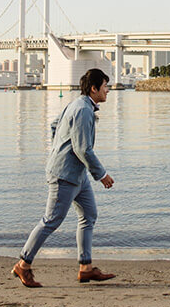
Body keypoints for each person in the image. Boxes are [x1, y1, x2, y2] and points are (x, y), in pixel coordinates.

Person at [12, 68, 117, 287]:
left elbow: (54, 125)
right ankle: (23, 264)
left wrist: (59, 148)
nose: (108, 90)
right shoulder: (83, 110)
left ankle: (86, 268)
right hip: (64, 175)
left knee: (89, 215)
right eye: (105, 86)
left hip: (77, 174)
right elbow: (83, 149)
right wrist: (102, 175)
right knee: (51, 220)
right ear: (94, 88)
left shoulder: (78, 104)